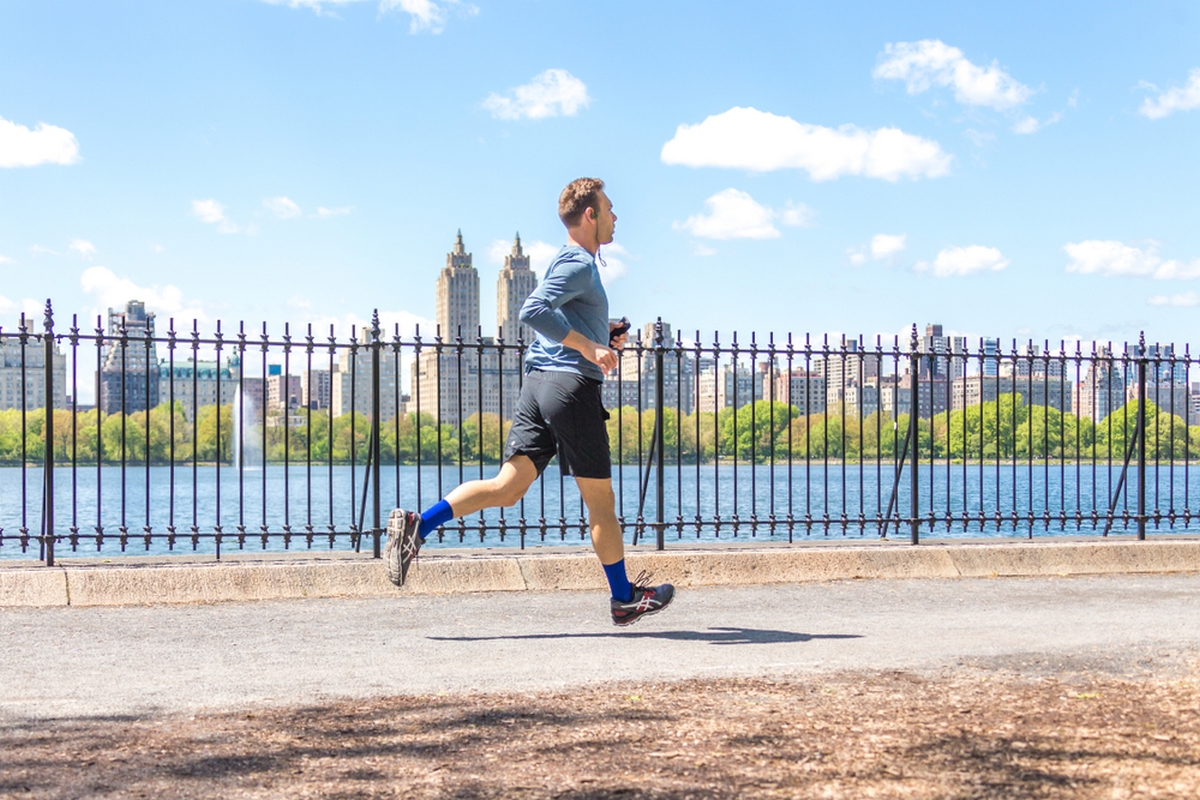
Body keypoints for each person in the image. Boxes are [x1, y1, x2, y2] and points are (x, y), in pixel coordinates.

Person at [385, 177, 675, 626]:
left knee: (508, 487)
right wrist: (588, 348)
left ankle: (418, 525)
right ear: (590, 215)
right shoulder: (579, 262)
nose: (617, 217)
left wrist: (602, 335)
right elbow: (532, 310)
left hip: (538, 385)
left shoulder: (569, 261)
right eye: (610, 209)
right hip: (570, 387)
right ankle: (624, 599)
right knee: (601, 504)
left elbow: (557, 315)